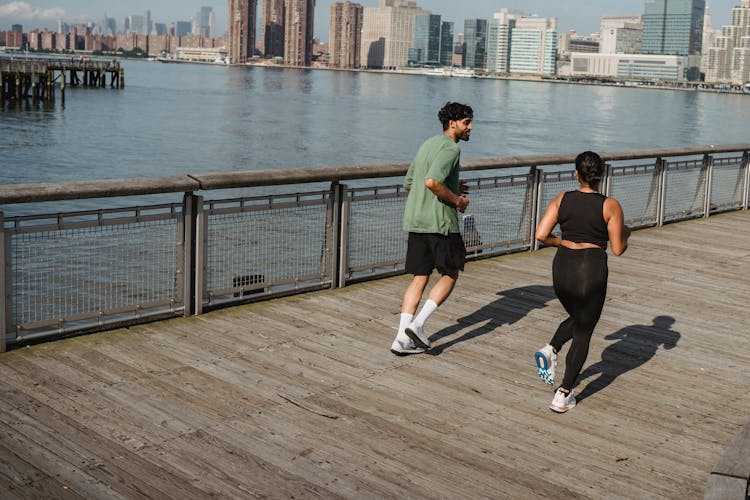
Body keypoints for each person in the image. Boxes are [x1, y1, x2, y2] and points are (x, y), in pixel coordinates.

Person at [533, 151, 631, 413]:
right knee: (585, 328)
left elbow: (541, 235)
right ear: (602, 175)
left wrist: (561, 241)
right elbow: (618, 248)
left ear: (576, 174)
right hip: (590, 268)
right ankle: (563, 393)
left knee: (580, 318)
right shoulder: (610, 205)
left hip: (562, 267)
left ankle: (551, 349)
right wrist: (626, 233)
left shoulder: (562, 198)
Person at [390, 102, 473, 355]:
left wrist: (453, 187)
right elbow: (431, 181)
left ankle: (400, 339)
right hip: (441, 223)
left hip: (416, 220)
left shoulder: (427, 144)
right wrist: (457, 200)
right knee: (450, 273)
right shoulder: (451, 149)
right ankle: (418, 325)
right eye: (466, 122)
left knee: (420, 275)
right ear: (453, 124)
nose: (470, 127)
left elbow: (409, 183)